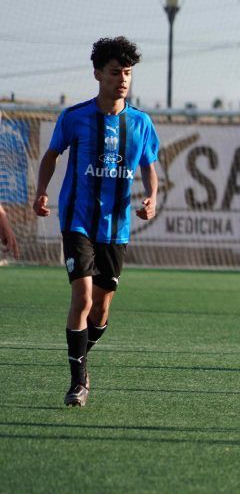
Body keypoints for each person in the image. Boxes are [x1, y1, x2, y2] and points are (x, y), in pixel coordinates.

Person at [33, 37, 160, 407]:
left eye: (128, 73)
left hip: (116, 227)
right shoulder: (75, 117)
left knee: (102, 311)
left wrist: (152, 197)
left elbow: (149, 166)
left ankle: (79, 356)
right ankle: (78, 382)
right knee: (83, 297)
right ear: (97, 74)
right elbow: (51, 154)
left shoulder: (140, 123)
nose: (123, 79)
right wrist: (41, 191)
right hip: (77, 221)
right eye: (115, 72)